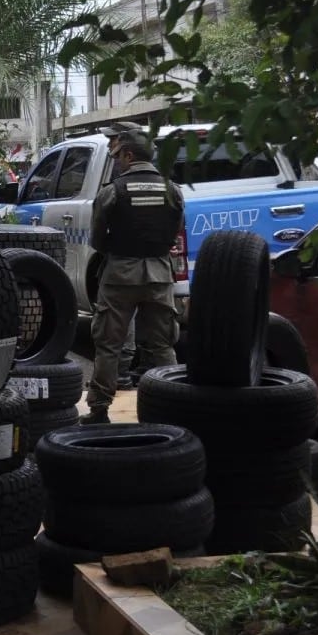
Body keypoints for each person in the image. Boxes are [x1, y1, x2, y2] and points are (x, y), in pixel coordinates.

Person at [81, 125, 185, 425]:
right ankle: (175, 407)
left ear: (128, 155)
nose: (116, 161)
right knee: (162, 345)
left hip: (119, 277)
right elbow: (174, 231)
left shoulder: (112, 191)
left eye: (118, 156)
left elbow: (97, 240)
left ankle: (100, 409)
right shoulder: (172, 189)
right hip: (159, 275)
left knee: (109, 345)